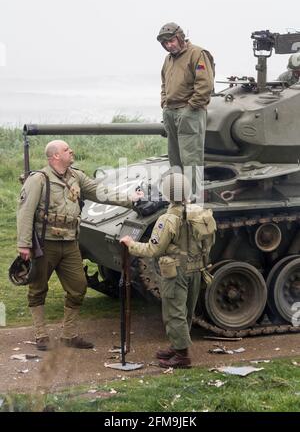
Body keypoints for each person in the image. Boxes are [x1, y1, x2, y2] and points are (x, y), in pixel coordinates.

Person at [17, 140, 143, 351]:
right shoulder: (38, 179)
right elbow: (25, 211)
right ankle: (41, 334)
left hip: (70, 243)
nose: (71, 151)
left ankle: (69, 335)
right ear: (55, 156)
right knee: (38, 289)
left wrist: (130, 199)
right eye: (66, 149)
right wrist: (24, 244)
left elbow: (100, 192)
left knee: (78, 288)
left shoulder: (76, 176)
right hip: (45, 243)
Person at [120, 173, 216, 368]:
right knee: (185, 311)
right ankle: (177, 346)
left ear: (167, 194)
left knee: (174, 312)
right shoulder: (200, 212)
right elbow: (209, 241)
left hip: (176, 272)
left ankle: (182, 357)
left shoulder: (168, 219)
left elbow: (153, 249)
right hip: (196, 269)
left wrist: (131, 244)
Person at [157, 22, 214, 198]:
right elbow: (164, 83)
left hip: (190, 112)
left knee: (191, 160)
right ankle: (179, 197)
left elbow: (205, 85)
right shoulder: (168, 59)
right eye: (165, 43)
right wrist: (164, 102)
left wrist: (190, 107)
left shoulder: (197, 54)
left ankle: (194, 201)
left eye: (171, 40)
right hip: (171, 111)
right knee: (175, 159)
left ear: (180, 37)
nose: (169, 45)